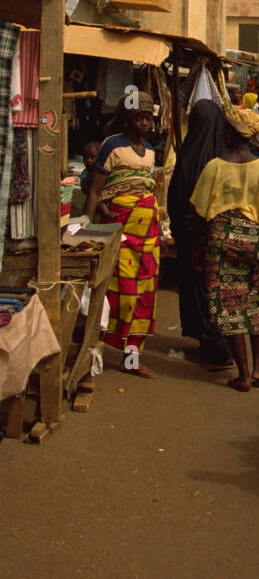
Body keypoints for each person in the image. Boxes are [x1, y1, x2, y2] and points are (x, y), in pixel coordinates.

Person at [190, 106, 259, 391]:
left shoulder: (215, 167)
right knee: (256, 304)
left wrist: (198, 249)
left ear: (230, 134)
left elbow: (199, 214)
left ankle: (243, 374)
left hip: (221, 240)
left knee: (231, 306)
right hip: (255, 240)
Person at [85, 92, 161, 379]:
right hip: (121, 231)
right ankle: (94, 349)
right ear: (127, 119)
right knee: (120, 295)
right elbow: (95, 190)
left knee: (145, 297)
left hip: (149, 234)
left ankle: (132, 359)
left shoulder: (151, 151)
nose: (145, 123)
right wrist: (88, 227)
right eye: (140, 117)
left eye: (148, 118)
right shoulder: (111, 146)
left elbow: (149, 190)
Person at [166, 100, 234, 369]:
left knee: (199, 290)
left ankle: (215, 346)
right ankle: (221, 342)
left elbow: (185, 201)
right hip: (220, 235)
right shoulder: (225, 156)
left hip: (194, 237)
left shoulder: (190, 156)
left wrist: (189, 234)